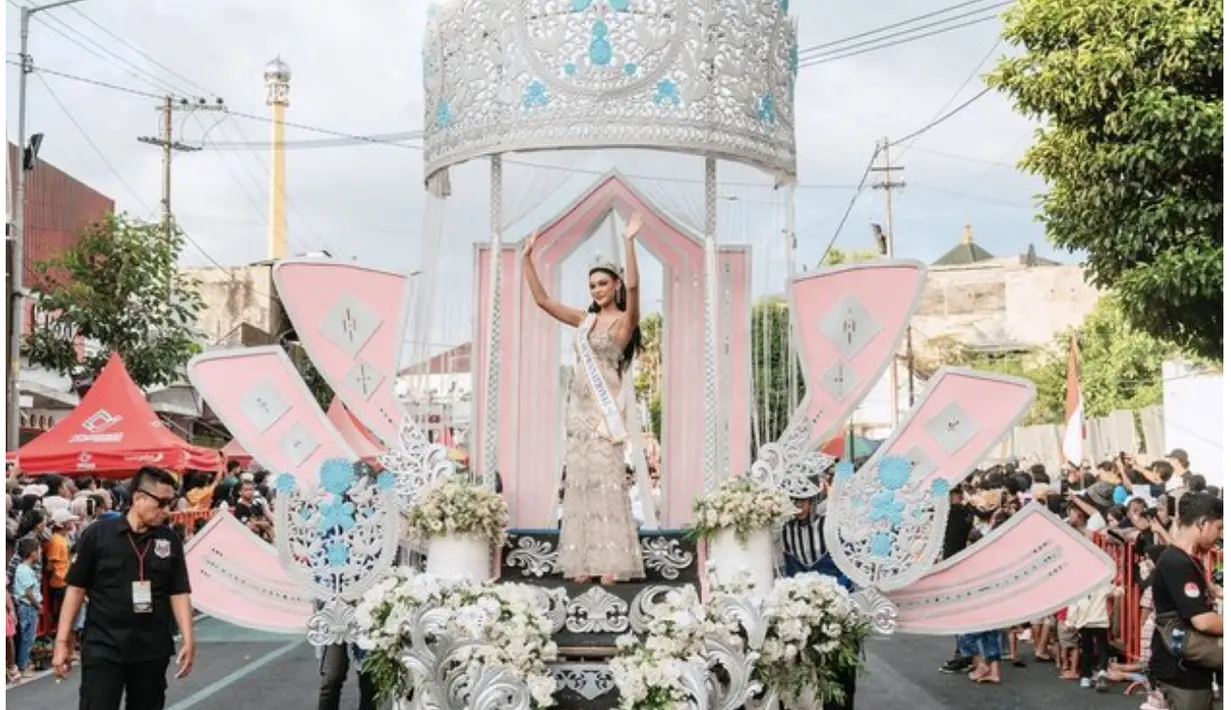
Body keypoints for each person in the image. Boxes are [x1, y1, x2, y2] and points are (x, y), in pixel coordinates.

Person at [523, 212, 646, 585]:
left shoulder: (625, 320)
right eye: (592, 285)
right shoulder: (584, 322)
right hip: (577, 412)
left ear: (615, 284)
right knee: (579, 483)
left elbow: (637, 289)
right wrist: (526, 259)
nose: (596, 290)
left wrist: (629, 242)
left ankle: (612, 561)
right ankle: (583, 561)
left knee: (607, 483)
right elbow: (543, 301)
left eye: (603, 283)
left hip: (603, 415)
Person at [52, 466, 196, 710]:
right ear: (139, 498)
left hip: (151, 647)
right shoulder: (98, 535)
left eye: (170, 502)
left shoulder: (168, 540)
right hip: (104, 645)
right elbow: (76, 589)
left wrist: (189, 638)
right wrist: (61, 642)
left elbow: (178, 590)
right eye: (161, 503)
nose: (166, 510)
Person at [1149, 491, 1222, 710]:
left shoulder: (1185, 559)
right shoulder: (1177, 563)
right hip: (1181, 673)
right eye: (1219, 527)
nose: (1221, 535)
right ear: (1202, 523)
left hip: (1188, 667)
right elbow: (1203, 621)